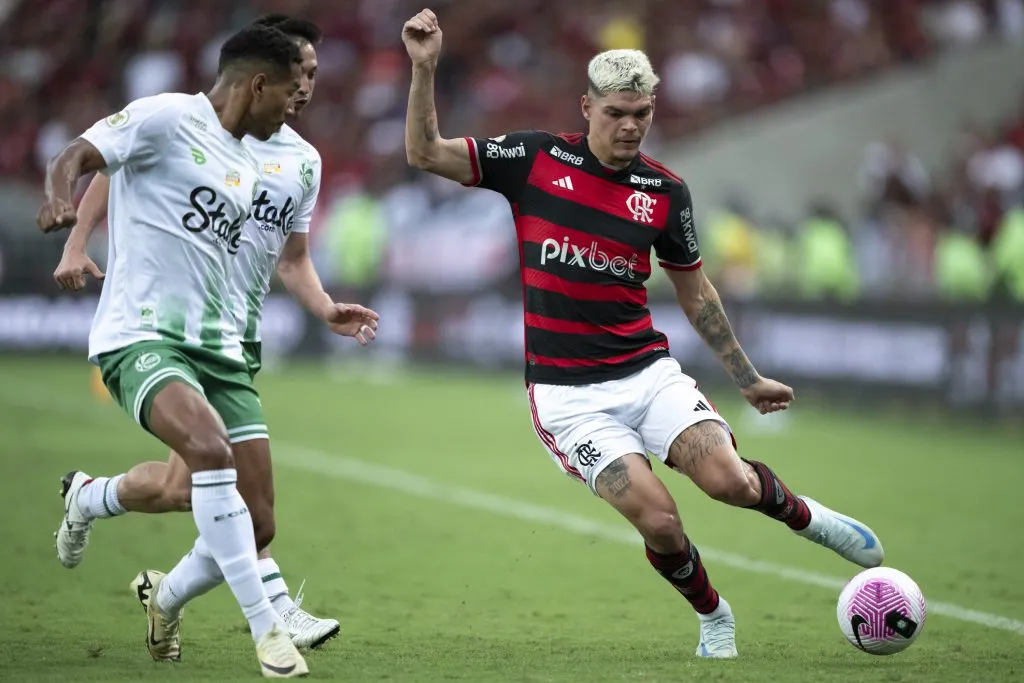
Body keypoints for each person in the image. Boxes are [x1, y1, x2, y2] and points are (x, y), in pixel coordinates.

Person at [401, 8, 884, 660]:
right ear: (587, 107)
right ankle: (714, 614)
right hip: (569, 398)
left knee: (729, 482)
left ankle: (810, 517)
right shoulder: (534, 160)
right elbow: (424, 152)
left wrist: (747, 377)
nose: (630, 126)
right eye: (616, 113)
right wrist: (425, 67)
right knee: (660, 519)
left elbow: (696, 292)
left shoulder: (664, 192)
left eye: (642, 114)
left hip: (646, 373)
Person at [39, 24, 373, 678]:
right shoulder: (169, 117)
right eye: (295, 80)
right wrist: (67, 210)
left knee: (248, 516)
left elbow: (289, 258)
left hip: (225, 344)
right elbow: (89, 155)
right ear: (259, 82)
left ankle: (145, 571)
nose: (303, 94)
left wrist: (325, 306)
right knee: (209, 452)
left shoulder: (271, 161)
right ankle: (269, 628)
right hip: (143, 333)